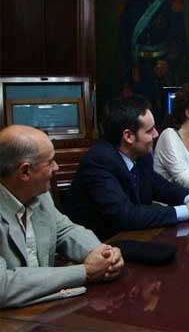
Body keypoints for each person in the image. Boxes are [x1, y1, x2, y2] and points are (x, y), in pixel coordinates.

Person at [0, 125, 124, 308]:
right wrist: (86, 272)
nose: (57, 167)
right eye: (50, 162)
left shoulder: (39, 194)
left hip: (46, 309)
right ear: (25, 172)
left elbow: (65, 230)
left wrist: (103, 254)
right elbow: (3, 287)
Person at [65, 95, 189, 241]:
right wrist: (187, 211)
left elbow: (159, 186)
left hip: (132, 238)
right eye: (149, 131)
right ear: (128, 136)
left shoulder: (141, 155)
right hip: (101, 246)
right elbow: (125, 216)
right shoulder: (99, 162)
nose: (156, 134)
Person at [119, 0, 186, 120]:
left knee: (163, 117)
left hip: (161, 70)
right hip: (139, 72)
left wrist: (168, 62)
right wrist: (126, 81)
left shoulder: (170, 6)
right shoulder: (131, 7)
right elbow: (123, 45)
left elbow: (178, 40)